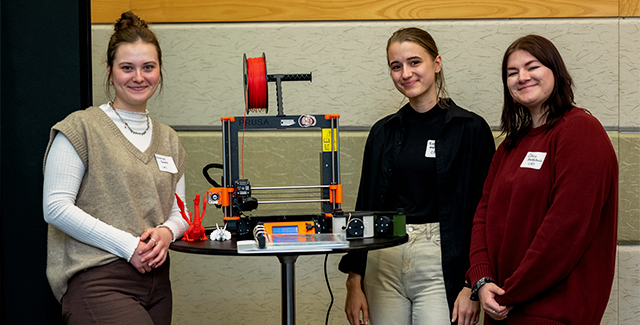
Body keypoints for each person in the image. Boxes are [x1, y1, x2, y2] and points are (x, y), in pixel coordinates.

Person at [338, 27, 495, 325]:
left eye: (414, 62)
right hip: (383, 258)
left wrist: (470, 284)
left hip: (442, 263)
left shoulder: (471, 131)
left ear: (436, 64)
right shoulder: (383, 133)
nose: (405, 73)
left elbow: (483, 213)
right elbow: (365, 206)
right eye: (396, 66)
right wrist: (354, 279)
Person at [42, 11, 188, 324]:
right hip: (98, 280)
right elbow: (55, 207)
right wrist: (128, 246)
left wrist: (167, 232)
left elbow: (180, 211)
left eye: (148, 67)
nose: (139, 77)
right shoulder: (81, 128)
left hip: (158, 285)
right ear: (110, 72)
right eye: (127, 68)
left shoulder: (170, 139)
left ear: (159, 71)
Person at [466, 34, 618, 324]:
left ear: (555, 72)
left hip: (553, 313)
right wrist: (482, 280)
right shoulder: (510, 147)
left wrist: (510, 293)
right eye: (512, 72)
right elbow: (482, 217)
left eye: (532, 66)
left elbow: (565, 232)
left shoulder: (580, 131)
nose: (522, 77)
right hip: (502, 310)